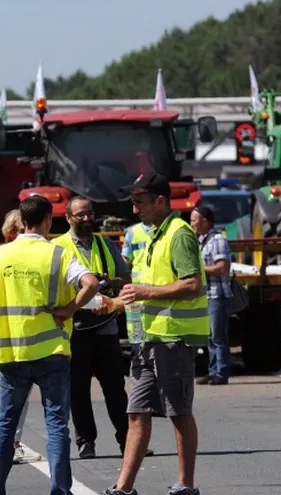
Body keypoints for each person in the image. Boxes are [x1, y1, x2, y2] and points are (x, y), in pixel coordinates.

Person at [0, 195, 101, 495]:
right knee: (57, 426)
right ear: (48, 219)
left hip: (11, 352)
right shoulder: (57, 254)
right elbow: (91, 284)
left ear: (21, 221)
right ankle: (60, 490)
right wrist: (69, 310)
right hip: (52, 352)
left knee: (5, 426)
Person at [105, 173, 209, 495]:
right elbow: (142, 291)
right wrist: (113, 304)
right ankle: (123, 489)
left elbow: (193, 284)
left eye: (139, 202)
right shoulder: (152, 234)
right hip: (147, 339)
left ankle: (185, 485)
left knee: (178, 412)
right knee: (136, 412)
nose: (134, 209)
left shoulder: (179, 235)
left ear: (160, 201)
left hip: (173, 339)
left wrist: (147, 293)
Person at [51, 196, 153, 460]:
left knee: (115, 389)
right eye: (81, 215)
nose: (87, 219)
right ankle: (86, 441)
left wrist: (108, 284)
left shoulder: (105, 244)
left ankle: (127, 442)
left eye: (89, 214)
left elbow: (125, 280)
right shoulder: (57, 248)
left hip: (105, 328)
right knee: (78, 390)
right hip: (76, 329)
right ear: (68, 217)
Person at [0, 208, 42, 465]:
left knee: (11, 400)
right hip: (21, 341)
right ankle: (11, 445)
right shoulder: (13, 256)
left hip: (6, 339)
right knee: (15, 401)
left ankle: (7, 445)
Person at [190, 205, 232, 386]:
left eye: (194, 220)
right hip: (205, 296)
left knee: (218, 336)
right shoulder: (201, 240)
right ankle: (212, 371)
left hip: (217, 295)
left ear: (205, 221)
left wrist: (199, 270)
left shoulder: (217, 241)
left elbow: (222, 268)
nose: (191, 224)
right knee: (208, 337)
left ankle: (221, 373)